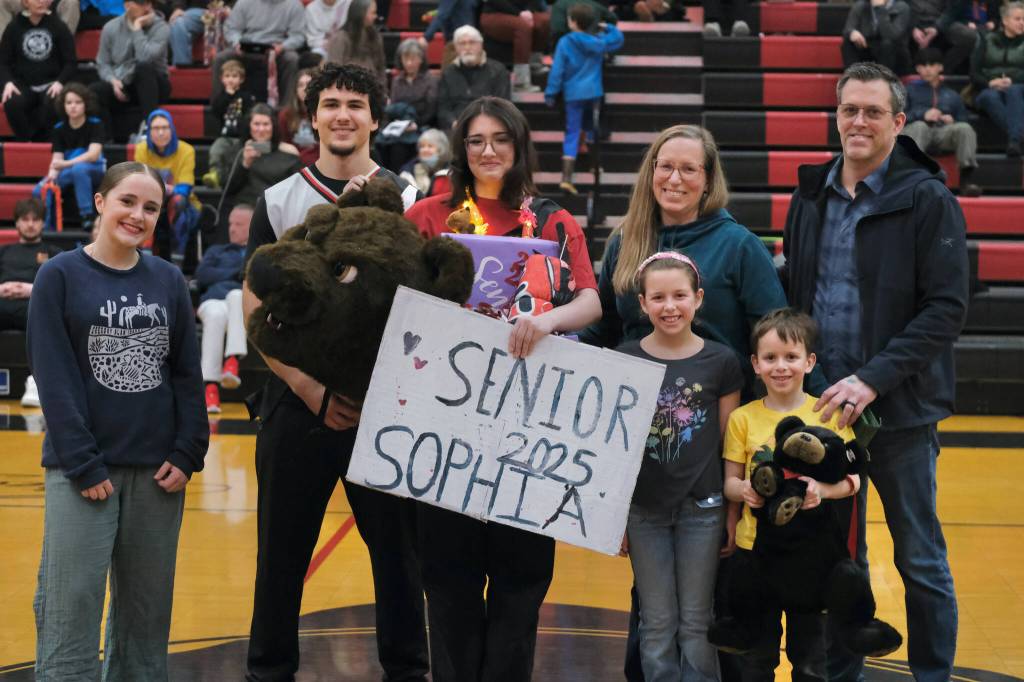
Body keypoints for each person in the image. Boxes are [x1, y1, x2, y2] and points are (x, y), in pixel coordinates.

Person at [578, 124, 789, 682]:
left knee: (709, 602)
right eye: (665, 165)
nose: (674, 178)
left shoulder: (738, 245)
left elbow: (773, 334)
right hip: (644, 456)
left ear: (708, 179)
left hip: (714, 446)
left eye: (689, 168)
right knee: (654, 609)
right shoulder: (626, 240)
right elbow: (603, 330)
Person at [405, 95, 601, 682]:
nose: (488, 151)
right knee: (448, 580)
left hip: (528, 428)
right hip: (445, 425)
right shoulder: (429, 216)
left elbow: (590, 301)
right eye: (475, 140)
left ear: (519, 146)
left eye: (500, 139)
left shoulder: (554, 219)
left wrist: (547, 321)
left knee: (522, 581)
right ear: (460, 149)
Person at [781, 61, 966, 682]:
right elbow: (796, 289)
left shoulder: (928, 199)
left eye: (873, 112)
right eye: (848, 110)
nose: (858, 121)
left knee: (920, 559)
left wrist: (873, 378)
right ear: (836, 116)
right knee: (839, 561)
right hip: (823, 413)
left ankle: (932, 675)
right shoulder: (811, 194)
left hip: (899, 415)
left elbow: (946, 310)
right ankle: (842, 676)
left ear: (898, 121)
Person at [241, 63, 426, 682]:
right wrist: (307, 388)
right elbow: (254, 305)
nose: (342, 115)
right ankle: (268, 671)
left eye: (355, 104)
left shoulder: (411, 199)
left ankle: (407, 669)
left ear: (375, 119)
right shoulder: (278, 199)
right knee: (281, 553)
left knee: (399, 558)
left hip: (387, 406)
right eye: (331, 104)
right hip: (297, 402)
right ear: (313, 118)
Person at [27, 160, 208, 680]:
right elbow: (54, 379)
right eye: (127, 201)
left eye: (150, 208)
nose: (137, 215)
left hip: (158, 475)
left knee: (145, 623)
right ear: (101, 202)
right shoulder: (58, 275)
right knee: (70, 612)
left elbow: (186, 374)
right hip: (83, 473)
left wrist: (188, 451)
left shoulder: (168, 280)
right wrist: (83, 463)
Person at [616, 253, 743, 682]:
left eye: (679, 296)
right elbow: (616, 449)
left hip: (703, 510)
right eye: (658, 297)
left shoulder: (722, 361)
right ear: (642, 303)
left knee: (696, 619)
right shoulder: (624, 359)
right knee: (656, 622)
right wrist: (613, 518)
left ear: (698, 298)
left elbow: (730, 446)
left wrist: (731, 512)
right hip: (643, 513)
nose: (669, 306)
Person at [721, 308, 860, 680]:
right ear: (755, 364)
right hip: (755, 553)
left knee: (811, 660)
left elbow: (854, 481)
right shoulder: (742, 418)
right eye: (770, 358)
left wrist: (823, 490)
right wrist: (744, 490)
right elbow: (729, 483)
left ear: (809, 362)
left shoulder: (828, 416)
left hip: (810, 558)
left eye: (791, 357)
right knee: (755, 659)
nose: (780, 367)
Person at [544, 4, 623, 195]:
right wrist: (607, 27)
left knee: (572, 132)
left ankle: (566, 177)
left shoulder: (565, 42)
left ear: (572, 22)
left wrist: (551, 93)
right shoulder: (598, 41)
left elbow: (557, 71)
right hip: (594, 92)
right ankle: (595, 167)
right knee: (591, 128)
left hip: (572, 94)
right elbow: (618, 39)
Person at [0, 198, 63, 408]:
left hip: (34, 307)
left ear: (43, 223)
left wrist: (32, 289)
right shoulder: (4, 251)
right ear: (16, 223)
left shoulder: (54, 253)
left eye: (35, 219)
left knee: (49, 315)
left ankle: (36, 381)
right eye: (25, 219)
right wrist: (2, 288)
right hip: (3, 303)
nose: (30, 224)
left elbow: (64, 287)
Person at [196, 203, 251, 413]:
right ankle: (211, 387)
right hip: (213, 301)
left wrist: (223, 274)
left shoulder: (259, 252)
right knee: (216, 314)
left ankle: (232, 361)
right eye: (230, 224)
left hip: (242, 304)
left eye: (239, 224)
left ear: (252, 226)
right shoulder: (216, 251)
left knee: (237, 295)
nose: (232, 229)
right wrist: (237, 272)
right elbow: (203, 275)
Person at [217, 103, 302, 240]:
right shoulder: (236, 152)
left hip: (276, 213)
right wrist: (244, 164)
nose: (261, 129)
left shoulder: (288, 154)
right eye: (256, 124)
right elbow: (226, 188)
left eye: (266, 124)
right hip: (243, 211)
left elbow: (297, 192)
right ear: (249, 126)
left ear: (273, 126)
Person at [904, 48, 982, 196]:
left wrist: (952, 121)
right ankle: (910, 180)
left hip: (941, 133)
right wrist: (922, 114)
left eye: (932, 65)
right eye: (923, 65)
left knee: (964, 128)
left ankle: (966, 181)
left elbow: (964, 120)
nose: (927, 69)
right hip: (915, 132)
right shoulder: (908, 90)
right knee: (920, 126)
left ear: (940, 67)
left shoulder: (951, 94)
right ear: (917, 69)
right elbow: (896, 118)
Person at [89, 0, 171, 141]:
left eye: (141, 3)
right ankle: (106, 139)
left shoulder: (161, 27)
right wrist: (112, 80)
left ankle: (149, 127)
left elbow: (145, 58)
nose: (130, 6)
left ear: (149, 5)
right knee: (94, 91)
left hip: (154, 85)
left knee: (143, 68)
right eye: (129, 2)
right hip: (123, 82)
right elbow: (102, 63)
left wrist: (137, 29)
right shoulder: (111, 27)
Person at [33, 83, 107, 232]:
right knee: (39, 189)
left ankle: (87, 216)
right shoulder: (59, 129)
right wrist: (51, 177)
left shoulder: (96, 124)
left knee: (79, 169)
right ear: (64, 106)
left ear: (86, 104)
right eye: (69, 102)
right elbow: (57, 159)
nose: (73, 106)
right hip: (69, 169)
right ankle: (48, 225)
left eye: (78, 102)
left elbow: (93, 155)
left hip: (95, 168)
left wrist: (65, 164)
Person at [0, 0, 76, 142]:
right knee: (11, 102)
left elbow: (70, 62)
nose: (41, 2)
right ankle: (26, 142)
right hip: (23, 84)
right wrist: (8, 82)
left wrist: (60, 82)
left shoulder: (59, 26)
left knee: (53, 102)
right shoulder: (13, 27)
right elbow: (3, 62)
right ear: (26, 3)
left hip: (51, 83)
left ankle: (50, 143)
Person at [133, 109, 202, 257]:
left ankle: (177, 262)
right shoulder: (141, 149)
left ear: (172, 129)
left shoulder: (186, 150)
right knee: (143, 203)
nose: (160, 132)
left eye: (165, 128)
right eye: (156, 128)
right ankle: (146, 258)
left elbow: (184, 188)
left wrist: (163, 188)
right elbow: (140, 182)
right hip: (151, 200)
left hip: (182, 204)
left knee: (178, 202)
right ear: (149, 131)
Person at [210, 0, 305, 105]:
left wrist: (283, 46)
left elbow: (298, 35)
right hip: (246, 48)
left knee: (292, 59)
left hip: (276, 50)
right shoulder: (244, 2)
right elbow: (232, 29)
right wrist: (237, 43)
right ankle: (217, 106)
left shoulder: (293, 4)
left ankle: (287, 108)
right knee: (221, 58)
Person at [970, 1, 1024, 156]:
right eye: (1018, 19)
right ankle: (1018, 137)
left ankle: (1015, 140)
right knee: (988, 97)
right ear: (1005, 20)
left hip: (1020, 88)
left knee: (1014, 91)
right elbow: (974, 72)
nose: (1022, 23)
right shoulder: (987, 39)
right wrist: (990, 83)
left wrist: (1013, 81)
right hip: (990, 88)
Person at [437, 25, 511, 130]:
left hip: (489, 127)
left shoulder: (498, 71)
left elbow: (502, 105)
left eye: (472, 42)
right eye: (462, 43)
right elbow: (443, 108)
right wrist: (453, 123)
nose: (467, 47)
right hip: (456, 128)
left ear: (481, 45)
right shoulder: (448, 73)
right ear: (456, 48)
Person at [204, 58, 257, 189]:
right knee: (216, 150)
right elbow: (216, 110)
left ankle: (237, 178)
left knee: (237, 156)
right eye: (227, 76)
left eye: (234, 76)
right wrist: (228, 96)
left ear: (241, 79)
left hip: (241, 138)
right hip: (225, 136)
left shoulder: (246, 96)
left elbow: (250, 114)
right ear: (222, 79)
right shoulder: (220, 96)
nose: (231, 79)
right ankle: (215, 174)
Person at [480, 0, 550, 91]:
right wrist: (518, 13)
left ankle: (534, 62)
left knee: (544, 21)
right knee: (522, 26)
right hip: (494, 13)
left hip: (522, 14)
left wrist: (529, 11)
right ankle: (520, 81)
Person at [841, 0, 912, 75]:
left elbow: (892, 35)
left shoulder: (902, 7)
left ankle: (884, 78)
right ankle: (852, 76)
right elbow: (848, 29)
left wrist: (880, 9)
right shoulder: (861, 5)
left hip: (894, 55)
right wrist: (852, 32)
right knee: (848, 43)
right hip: (869, 47)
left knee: (887, 44)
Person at [326, 0, 386, 87]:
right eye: (373, 13)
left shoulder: (376, 37)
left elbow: (381, 67)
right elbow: (333, 70)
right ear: (361, 14)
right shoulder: (340, 38)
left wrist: (382, 89)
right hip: (347, 88)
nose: (375, 16)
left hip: (372, 88)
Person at [277, 67, 320, 167]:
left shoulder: (324, 112)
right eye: (300, 85)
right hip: (294, 164)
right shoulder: (286, 114)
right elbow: (282, 143)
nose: (305, 89)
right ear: (295, 91)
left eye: (309, 84)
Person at [391, 38, 438, 128]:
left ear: (421, 59)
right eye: (405, 59)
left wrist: (415, 124)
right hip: (400, 125)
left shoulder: (430, 80)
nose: (409, 63)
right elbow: (393, 107)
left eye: (412, 59)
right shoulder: (397, 81)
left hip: (423, 125)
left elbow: (431, 111)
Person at [938, 0, 995, 73]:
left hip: (982, 27)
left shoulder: (990, 2)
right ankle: (943, 70)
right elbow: (951, 15)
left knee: (988, 38)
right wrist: (966, 23)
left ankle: (985, 73)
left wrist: (993, 22)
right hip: (959, 24)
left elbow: (995, 16)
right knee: (972, 37)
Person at [399, 127, 450, 194]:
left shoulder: (449, 169)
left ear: (440, 150)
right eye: (422, 146)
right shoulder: (408, 171)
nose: (425, 150)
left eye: (430, 146)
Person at [550, 0, 617, 45]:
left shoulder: (560, 4)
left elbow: (558, 29)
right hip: (594, 42)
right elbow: (613, 19)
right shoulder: (599, 43)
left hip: (569, 45)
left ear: (573, 23)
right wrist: (605, 29)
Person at [0, 0, 78, 36]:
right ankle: (5, 48)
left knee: (72, 2)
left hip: (56, 3)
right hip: (29, 2)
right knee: (2, 2)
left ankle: (61, 46)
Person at [167, 0, 210, 65]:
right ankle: (182, 68)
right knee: (177, 23)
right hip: (194, 11)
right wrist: (178, 7)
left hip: (222, 10)